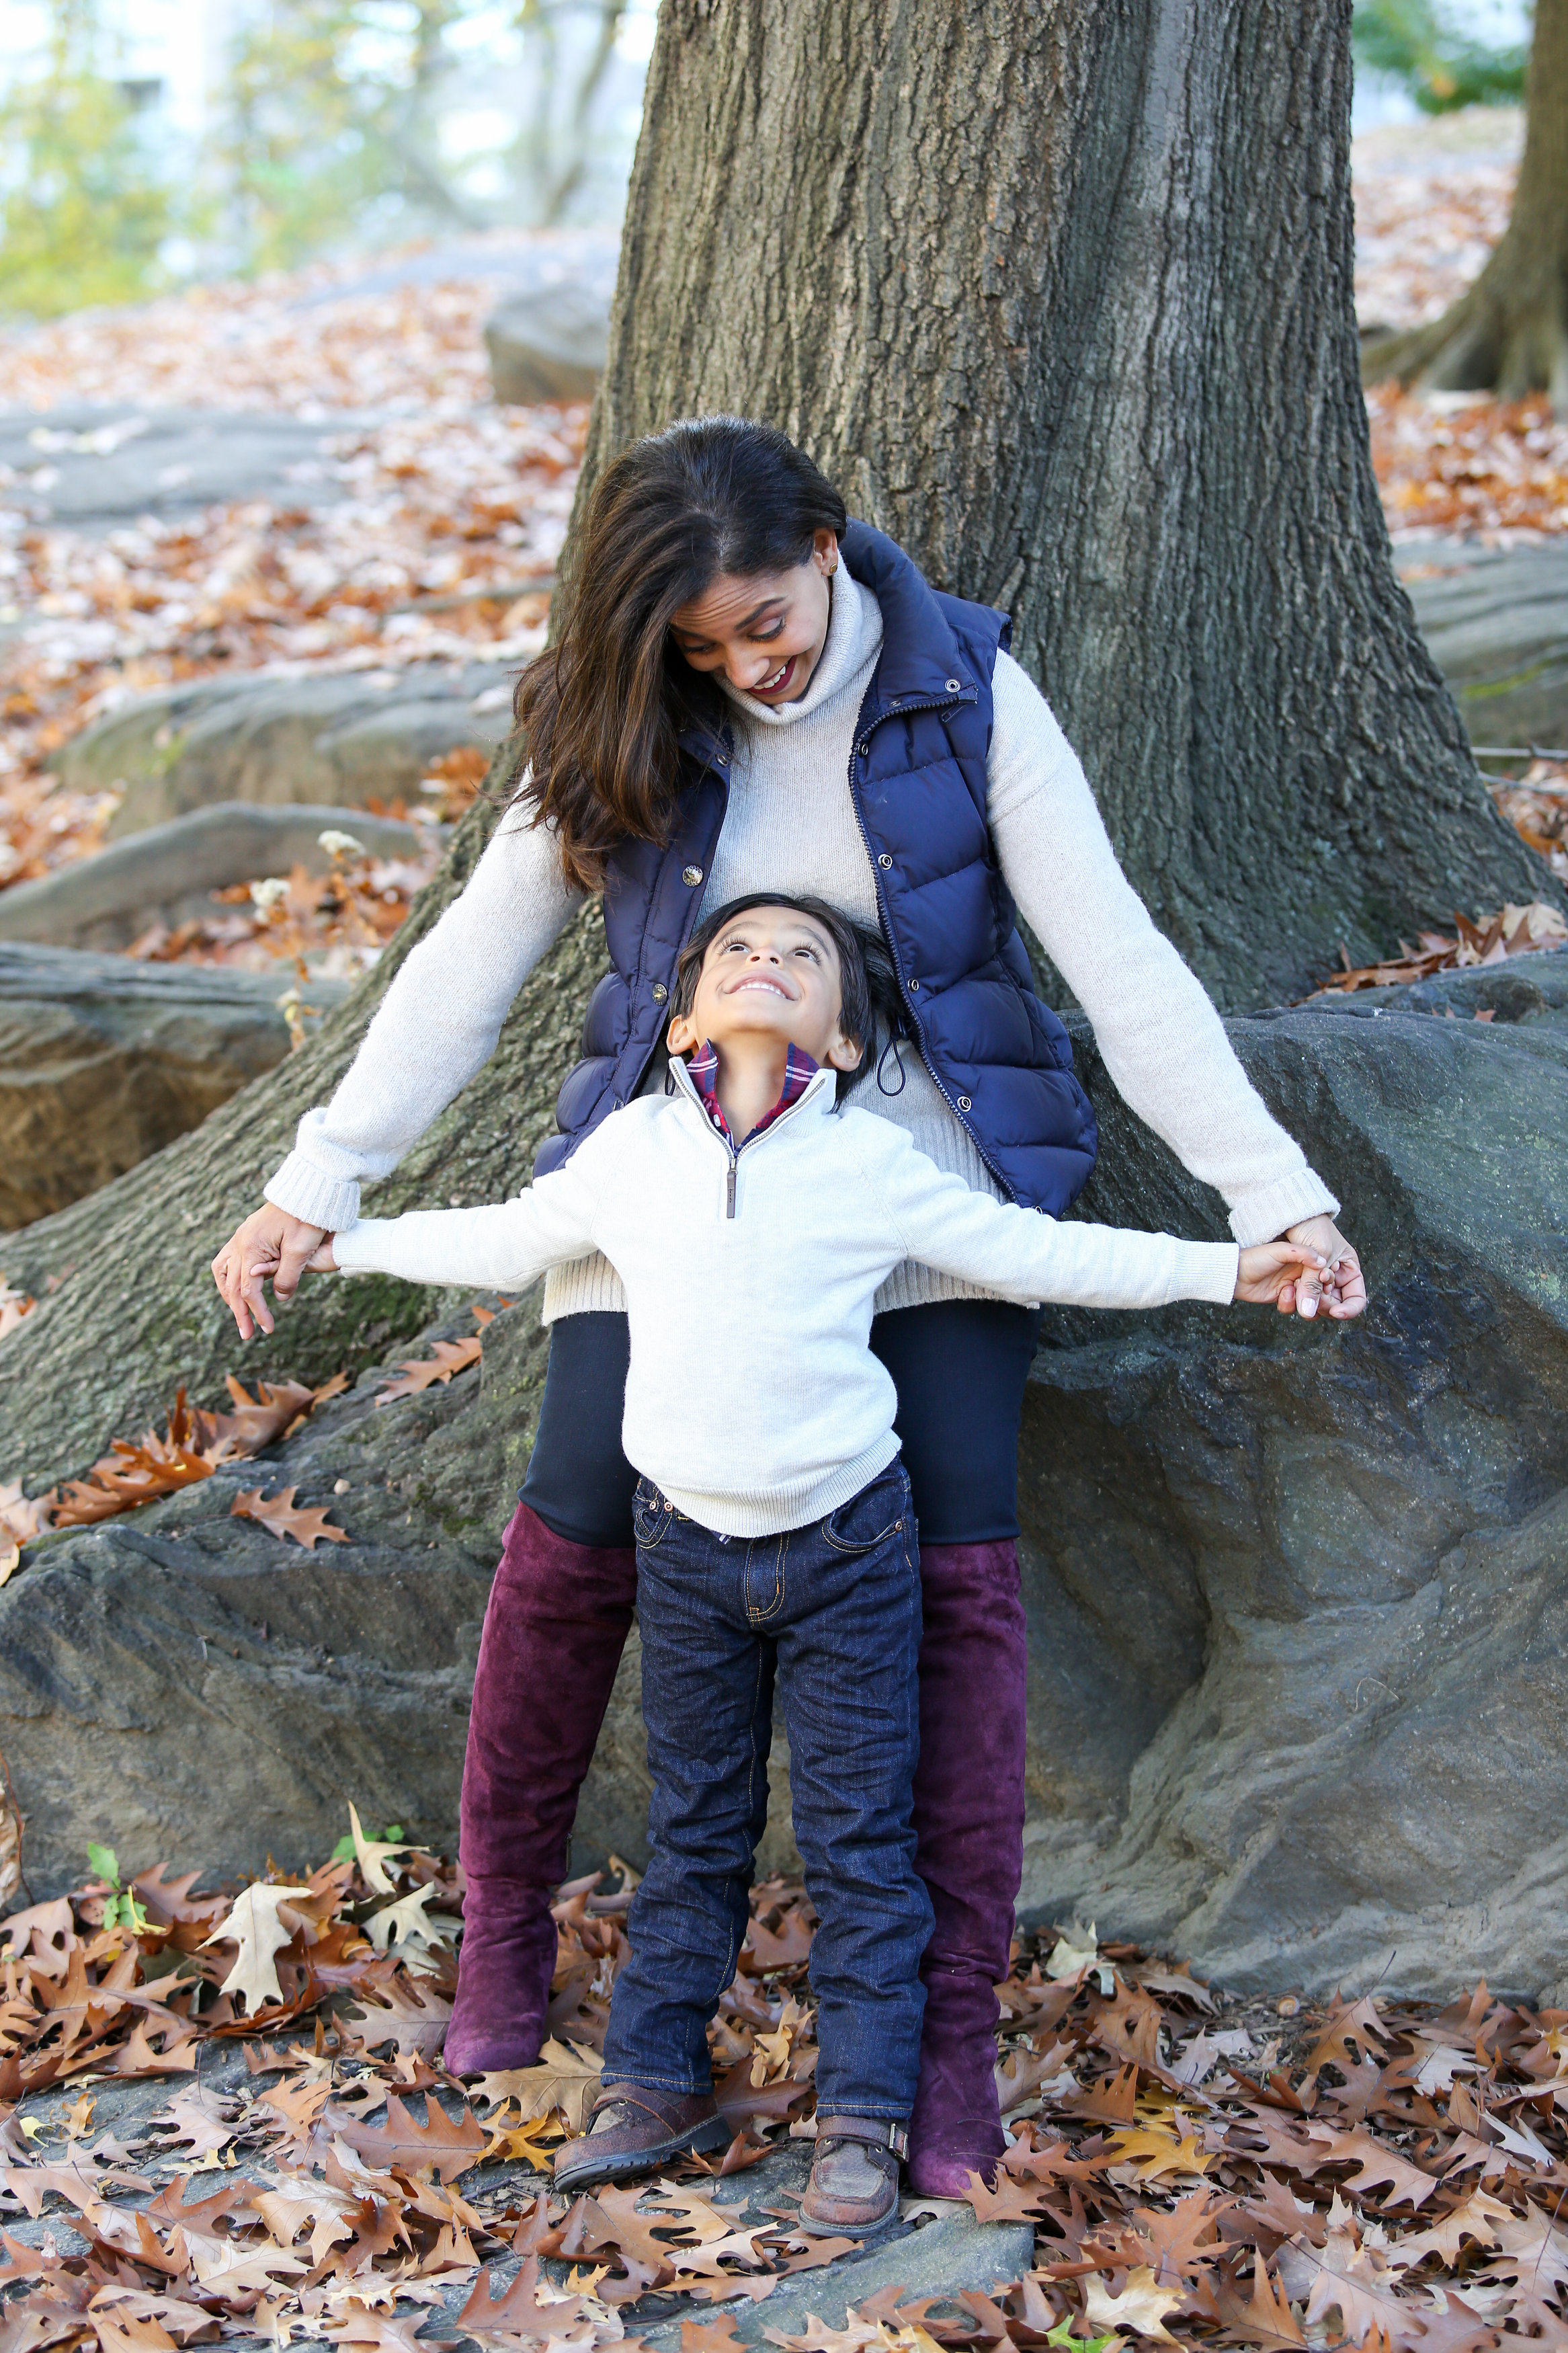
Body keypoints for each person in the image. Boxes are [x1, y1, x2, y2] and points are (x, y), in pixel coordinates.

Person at [212, 415, 1366, 2196]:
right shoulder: (624, 712)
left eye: (760, 620)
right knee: (577, 1509)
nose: (749, 667)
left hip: (922, 1177)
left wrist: (1265, 1194)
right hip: (670, 1179)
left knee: (956, 1556)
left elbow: (1114, 954)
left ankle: (943, 2049)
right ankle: (508, 1959)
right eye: (704, 648)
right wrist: (324, 1176)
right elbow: (470, 957)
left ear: (825, 544)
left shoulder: (965, 684)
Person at [296, 894, 1339, 2237]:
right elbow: (502, 1239)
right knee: (695, 1830)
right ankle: (648, 2076)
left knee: (859, 1842)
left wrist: (1230, 1265)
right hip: (683, 1550)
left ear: (844, 1043)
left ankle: (860, 2113)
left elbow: (1042, 1254)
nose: (768, 963)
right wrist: (342, 1238)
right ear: (680, 1019)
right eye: (737, 950)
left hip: (848, 1549)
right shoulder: (632, 1154)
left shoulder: (871, 1166)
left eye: (802, 959)